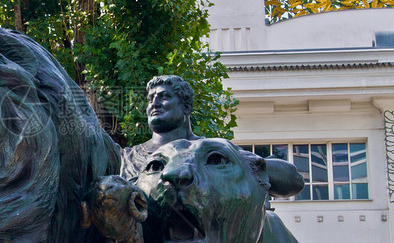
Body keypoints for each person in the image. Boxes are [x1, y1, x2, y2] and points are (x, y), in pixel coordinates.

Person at [121, 75, 304, 201]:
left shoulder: (215, 154)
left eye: (164, 97)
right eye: (150, 99)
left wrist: (246, 165)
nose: (155, 103)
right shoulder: (124, 158)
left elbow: (294, 181)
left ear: (186, 107)